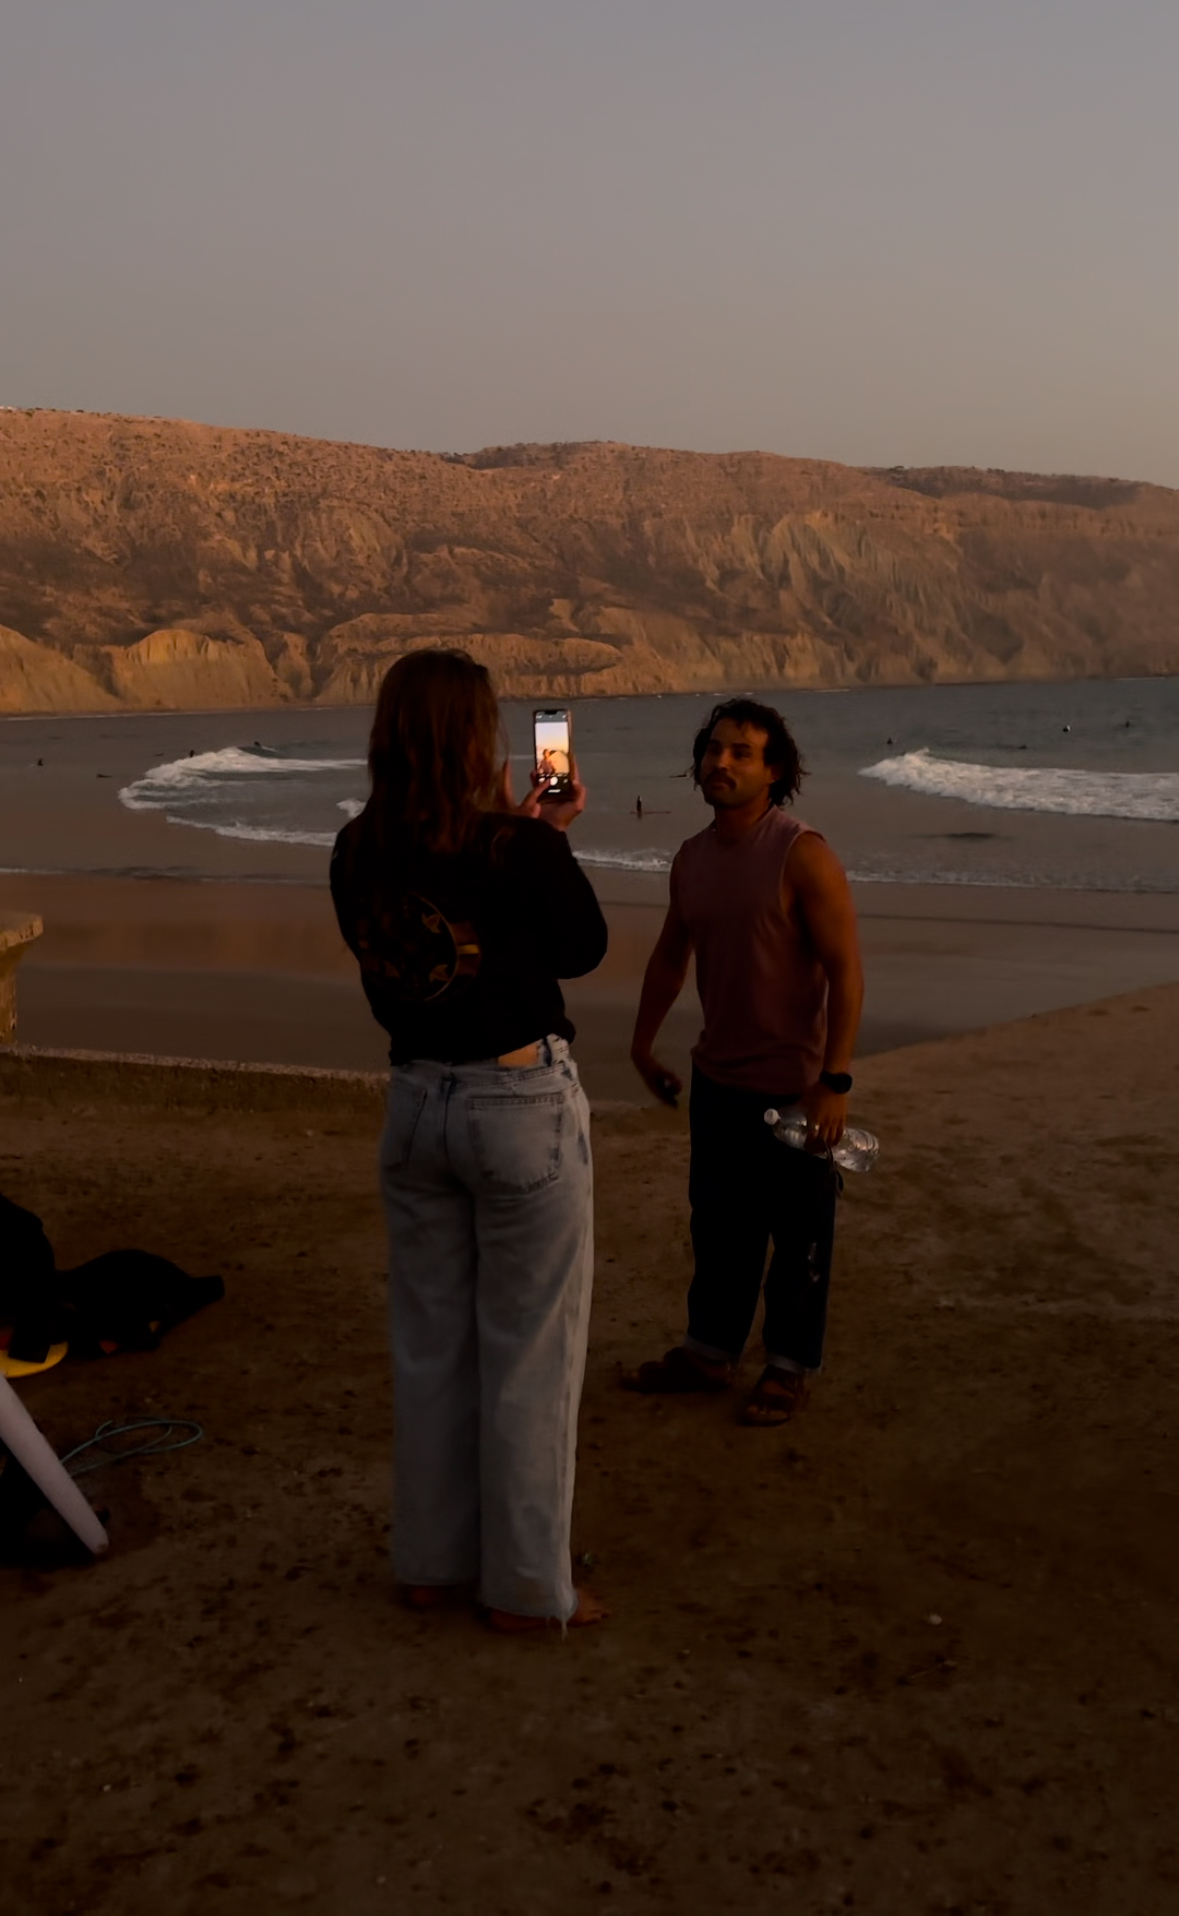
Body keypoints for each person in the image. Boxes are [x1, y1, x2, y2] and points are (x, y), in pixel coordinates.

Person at [330, 650, 608, 1629]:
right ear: (476, 736)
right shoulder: (514, 849)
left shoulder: (356, 850)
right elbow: (580, 948)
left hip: (414, 1102)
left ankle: (432, 1563)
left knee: (431, 1346)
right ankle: (529, 1586)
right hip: (516, 1101)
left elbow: (392, 962)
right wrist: (547, 833)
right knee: (531, 1350)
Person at [625, 697, 864, 1426]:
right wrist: (641, 1043)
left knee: (798, 1238)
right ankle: (708, 1352)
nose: (719, 763)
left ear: (774, 771)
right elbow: (671, 956)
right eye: (713, 750)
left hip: (792, 1087)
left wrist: (834, 1082)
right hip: (717, 1078)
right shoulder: (692, 858)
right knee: (719, 1226)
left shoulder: (802, 854)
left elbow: (845, 970)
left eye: (740, 753)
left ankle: (787, 1367)